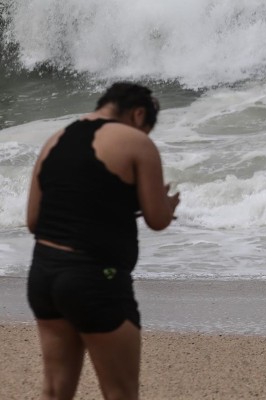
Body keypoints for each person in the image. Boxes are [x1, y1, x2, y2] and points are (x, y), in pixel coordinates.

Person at [26, 82, 180, 400]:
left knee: (55, 391)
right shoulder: (136, 142)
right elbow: (157, 219)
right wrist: (167, 204)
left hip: (44, 275)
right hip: (95, 280)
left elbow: (33, 221)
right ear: (139, 115)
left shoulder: (55, 139)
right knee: (120, 392)